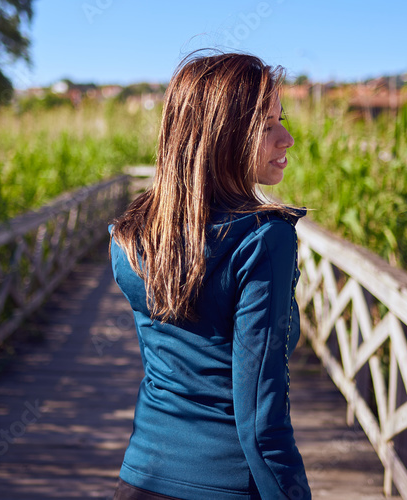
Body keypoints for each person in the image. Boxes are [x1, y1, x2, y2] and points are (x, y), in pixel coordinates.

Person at [109, 51, 311, 500]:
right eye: (266, 126)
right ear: (223, 136)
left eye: (281, 120)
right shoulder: (264, 241)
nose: (288, 138)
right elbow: (261, 418)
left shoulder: (132, 238)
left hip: (140, 478)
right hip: (228, 484)